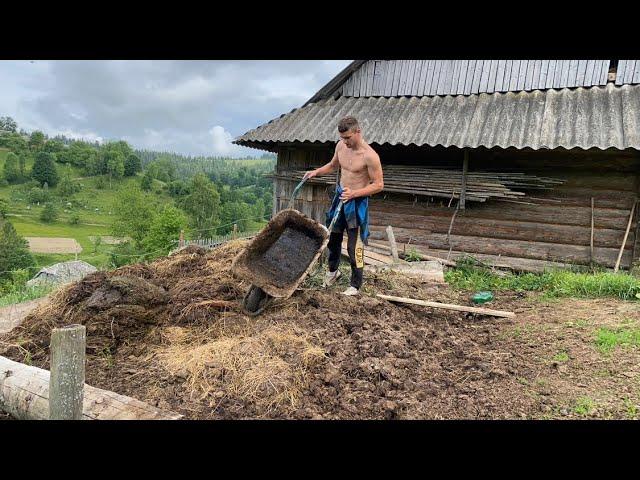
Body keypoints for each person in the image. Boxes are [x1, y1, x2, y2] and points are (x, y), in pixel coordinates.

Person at [303, 116, 384, 296]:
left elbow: (378, 185)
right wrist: (315, 172)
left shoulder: (370, 156)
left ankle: (355, 285)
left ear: (358, 132)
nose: (344, 142)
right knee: (332, 238)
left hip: (356, 202)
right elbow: (332, 165)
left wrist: (354, 193)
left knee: (354, 246)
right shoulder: (341, 146)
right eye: (342, 138)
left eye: (347, 138)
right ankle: (333, 272)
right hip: (340, 198)